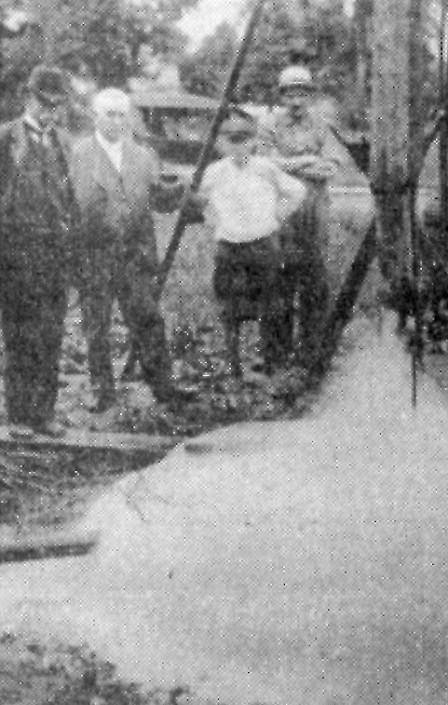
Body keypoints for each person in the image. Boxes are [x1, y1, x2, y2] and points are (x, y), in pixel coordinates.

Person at [69, 87, 196, 412]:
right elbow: (68, 204)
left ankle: (164, 387)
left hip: (135, 255)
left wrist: (184, 191)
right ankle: (102, 392)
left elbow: (158, 198)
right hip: (94, 255)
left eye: (121, 115)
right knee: (97, 326)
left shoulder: (143, 156)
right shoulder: (78, 154)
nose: (116, 121)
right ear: (95, 116)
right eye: (109, 114)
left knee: (148, 319)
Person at [260, 64, 358, 370]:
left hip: (314, 210)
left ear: (309, 96)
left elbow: (331, 166)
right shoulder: (269, 124)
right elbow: (265, 165)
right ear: (281, 96)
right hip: (280, 212)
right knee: (278, 280)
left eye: (301, 93)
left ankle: (311, 353)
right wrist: (306, 159)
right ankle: (277, 355)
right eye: (290, 94)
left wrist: (288, 164)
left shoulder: (321, 125)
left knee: (314, 280)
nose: (296, 101)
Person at [197, 112, 306, 378]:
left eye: (244, 140)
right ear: (222, 144)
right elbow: (198, 201)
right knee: (230, 308)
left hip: (262, 246)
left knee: (270, 305)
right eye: (232, 141)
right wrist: (213, 221)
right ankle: (234, 365)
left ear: (253, 142)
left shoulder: (265, 168)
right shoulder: (214, 172)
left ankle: (271, 361)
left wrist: (278, 215)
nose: (238, 147)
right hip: (229, 248)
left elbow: (297, 191)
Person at [0, 66, 77, 437]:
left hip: (54, 254)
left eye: (57, 105)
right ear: (28, 98)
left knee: (50, 334)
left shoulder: (63, 142)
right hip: (16, 253)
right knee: (19, 335)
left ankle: (44, 413)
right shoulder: (6, 138)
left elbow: (71, 198)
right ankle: (18, 415)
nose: (50, 111)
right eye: (44, 103)